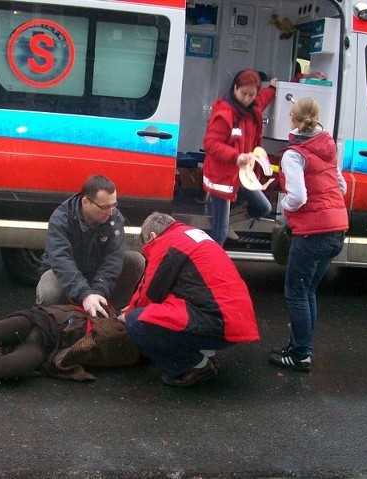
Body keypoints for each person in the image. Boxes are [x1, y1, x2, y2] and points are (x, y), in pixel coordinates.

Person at [120, 212, 259, 387]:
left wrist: (127, 314)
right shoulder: (194, 237)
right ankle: (205, 355)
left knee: (136, 321)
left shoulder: (167, 244)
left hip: (217, 322)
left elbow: (150, 292)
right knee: (168, 309)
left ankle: (192, 366)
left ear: (152, 236)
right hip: (235, 320)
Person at [269, 97, 348, 373]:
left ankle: (301, 353)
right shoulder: (327, 146)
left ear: (293, 118)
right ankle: (300, 346)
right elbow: (342, 186)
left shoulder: (294, 153)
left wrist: (285, 208)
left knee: (296, 292)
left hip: (313, 232)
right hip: (337, 229)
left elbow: (299, 196)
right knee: (309, 290)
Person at [0, 304, 140, 382]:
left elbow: (104, 355)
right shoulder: (113, 310)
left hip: (50, 346)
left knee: (8, 370)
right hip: (49, 318)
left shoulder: (133, 349)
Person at [36, 174, 144, 318]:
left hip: (96, 271)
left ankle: (110, 312)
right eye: (105, 207)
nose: (111, 212)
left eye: (114, 205)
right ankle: (58, 318)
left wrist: (99, 292)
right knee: (49, 292)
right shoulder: (61, 218)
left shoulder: (115, 218)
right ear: (86, 202)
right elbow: (61, 260)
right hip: (63, 272)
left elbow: (113, 259)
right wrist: (85, 294)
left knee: (136, 260)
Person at [202, 69, 277, 245]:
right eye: (243, 93)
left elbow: (263, 99)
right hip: (222, 177)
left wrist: (273, 88)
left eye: (251, 94)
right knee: (219, 234)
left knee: (264, 207)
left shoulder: (253, 109)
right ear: (235, 88)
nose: (247, 98)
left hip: (242, 175)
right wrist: (236, 157)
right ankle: (210, 265)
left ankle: (228, 222)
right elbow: (210, 143)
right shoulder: (224, 113)